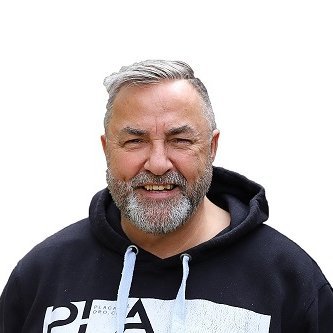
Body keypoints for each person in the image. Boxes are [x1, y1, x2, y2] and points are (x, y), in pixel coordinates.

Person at [0, 60, 332, 333]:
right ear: (107, 150)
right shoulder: (42, 275)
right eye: (134, 141)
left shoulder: (290, 280)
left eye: (180, 140)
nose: (158, 164)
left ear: (212, 148)